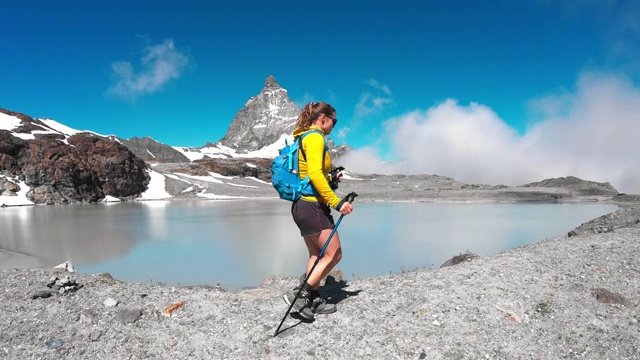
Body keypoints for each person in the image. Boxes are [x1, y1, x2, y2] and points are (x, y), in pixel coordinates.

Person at [283, 101, 354, 321]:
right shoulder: (315, 138)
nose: (334, 125)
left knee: (316, 255)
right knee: (335, 254)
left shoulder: (304, 137)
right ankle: (300, 294)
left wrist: (331, 179)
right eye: (334, 120)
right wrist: (337, 202)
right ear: (323, 118)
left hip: (303, 205)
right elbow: (314, 174)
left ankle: (313, 299)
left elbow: (314, 174)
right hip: (312, 206)